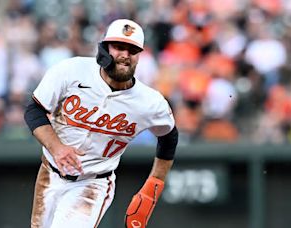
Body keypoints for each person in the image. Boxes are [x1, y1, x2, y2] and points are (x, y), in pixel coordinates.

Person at [24, 19, 179, 228]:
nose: (125, 55)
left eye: (132, 50)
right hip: (49, 174)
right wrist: (57, 147)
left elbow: (169, 136)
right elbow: (34, 110)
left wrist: (153, 186)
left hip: (93, 183)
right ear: (104, 49)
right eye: (119, 47)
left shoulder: (150, 102)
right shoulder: (71, 70)